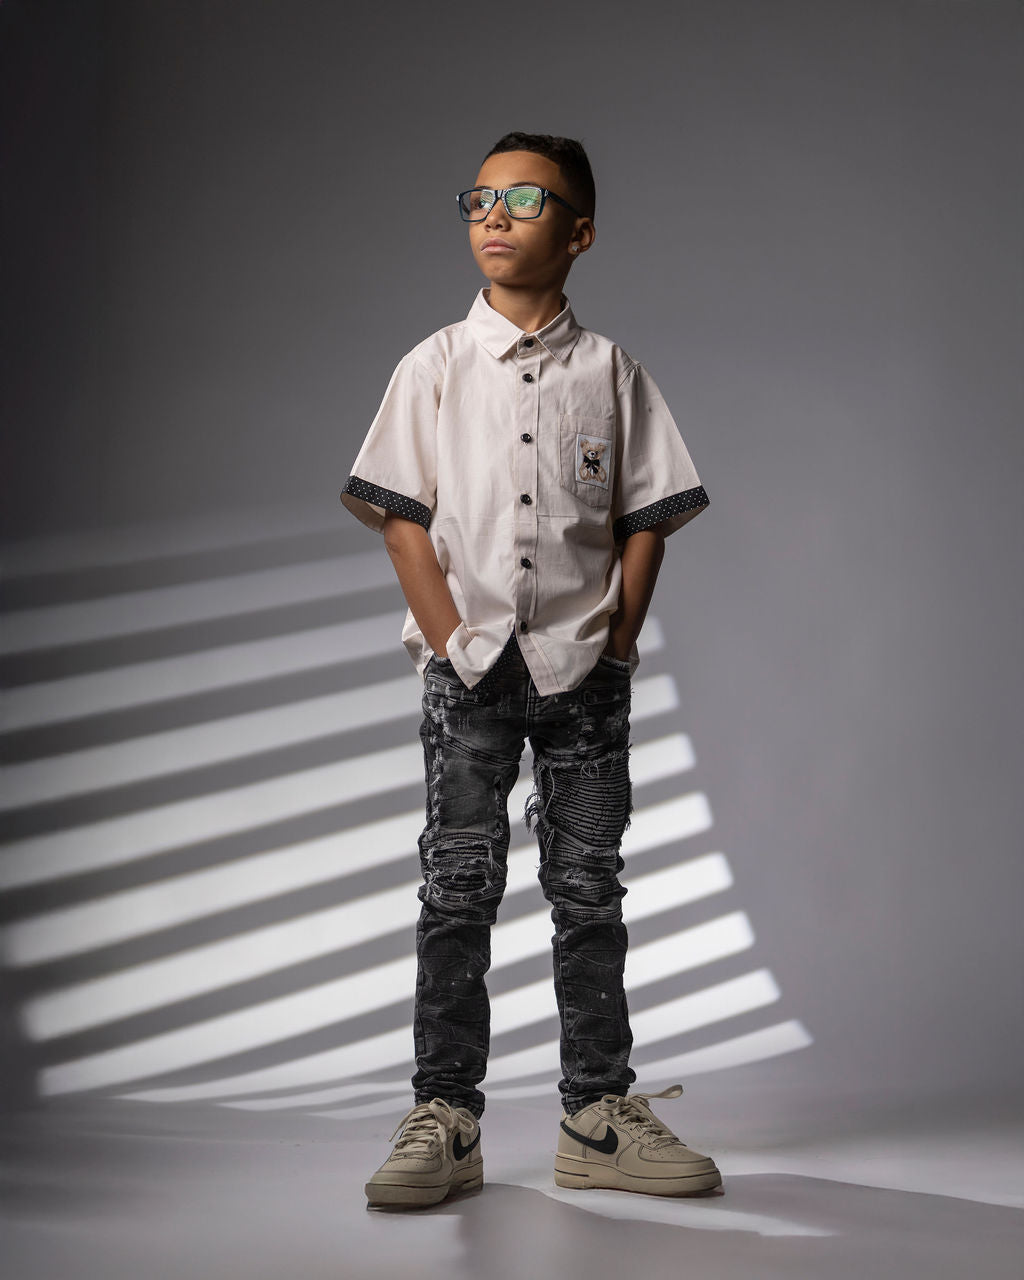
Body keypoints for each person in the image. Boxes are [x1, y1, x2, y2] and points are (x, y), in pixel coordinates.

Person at [341, 132, 721, 1209]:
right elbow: (400, 517)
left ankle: (597, 1114)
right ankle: (445, 1116)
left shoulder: (612, 374)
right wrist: (454, 640)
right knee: (456, 886)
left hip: (583, 674)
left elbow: (648, 513)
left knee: (589, 888)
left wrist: (618, 639)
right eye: (481, 198)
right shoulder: (433, 366)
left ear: (580, 232)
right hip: (468, 673)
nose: (496, 215)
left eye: (525, 199)